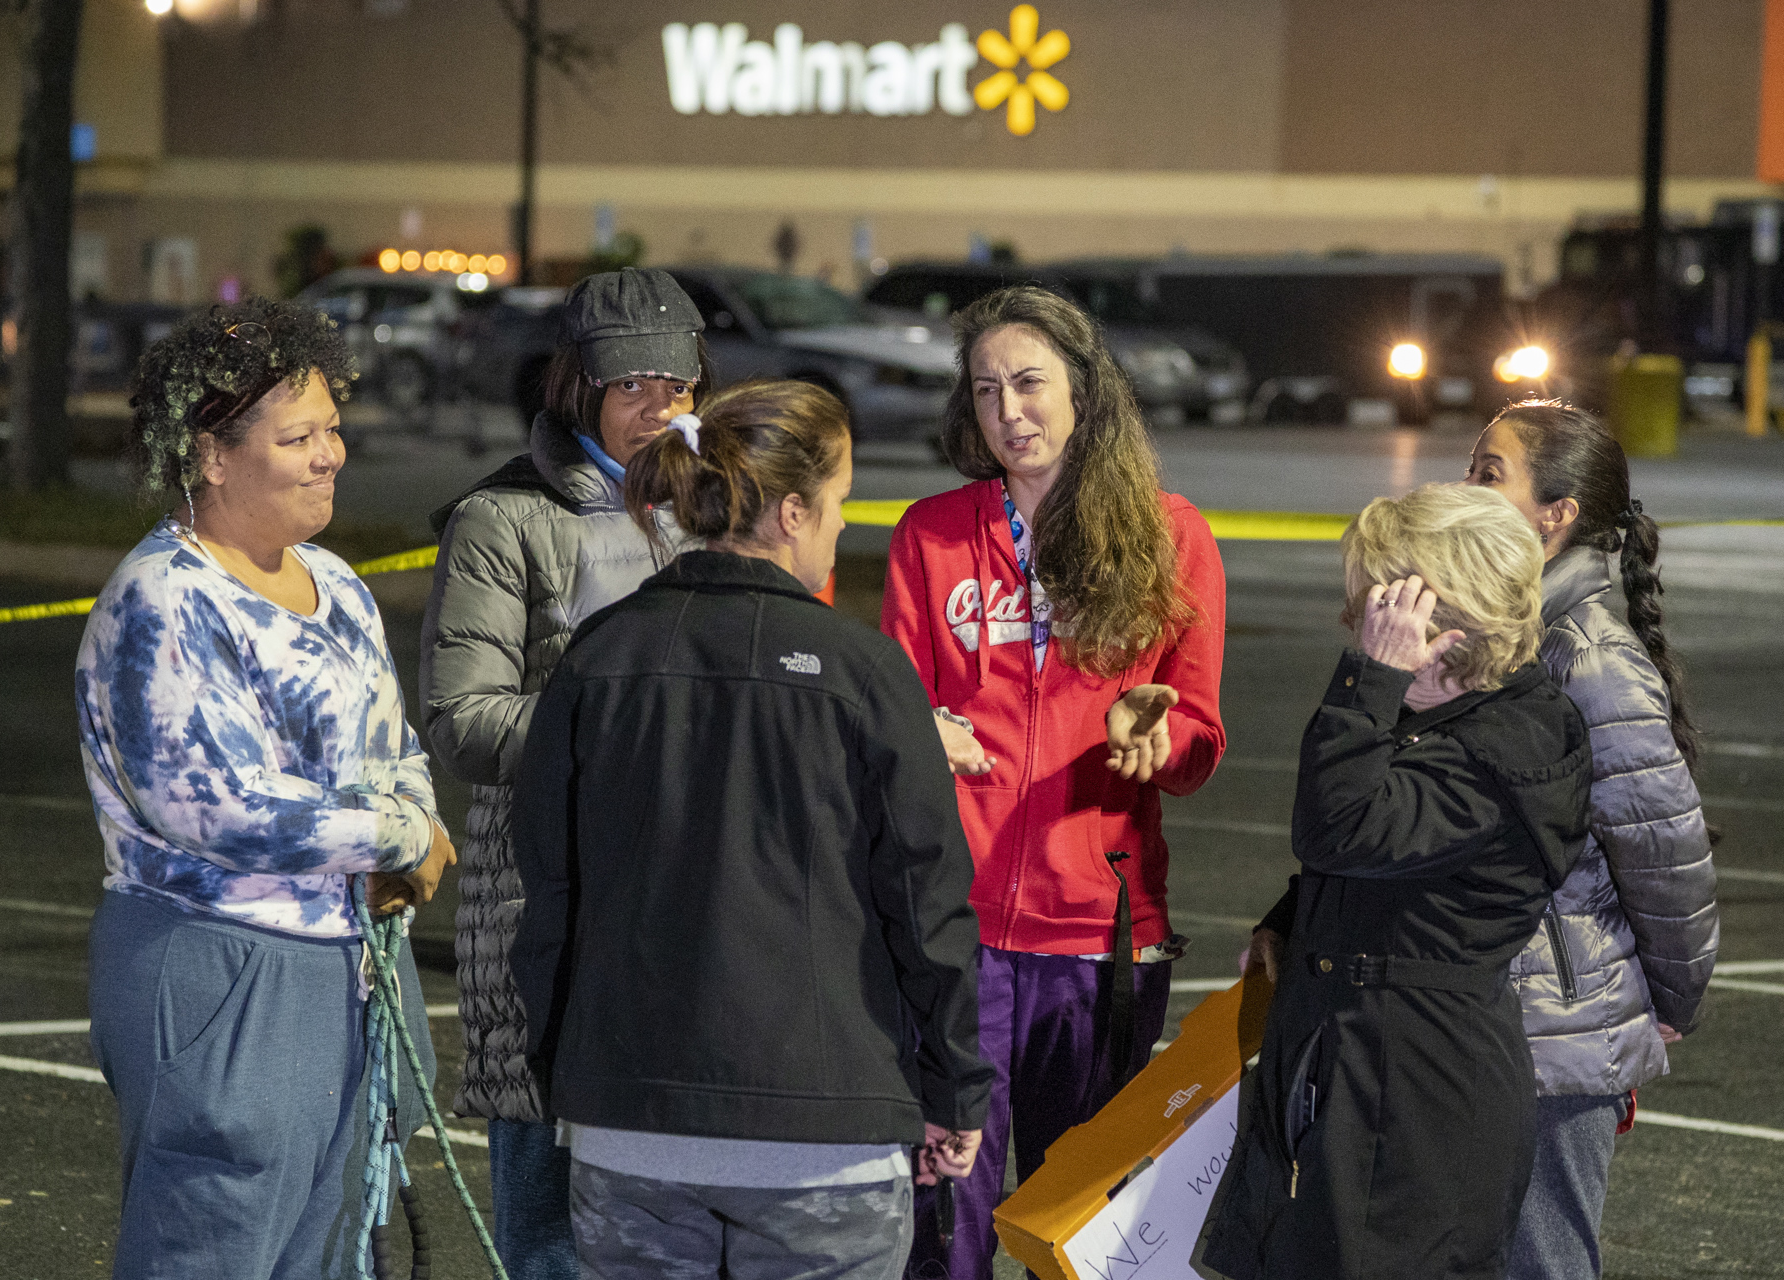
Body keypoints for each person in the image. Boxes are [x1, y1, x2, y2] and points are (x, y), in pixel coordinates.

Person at [507, 380, 994, 1279]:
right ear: (795, 512)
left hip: (631, 1125)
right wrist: (955, 1088)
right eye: (842, 504)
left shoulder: (600, 657)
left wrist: (564, 1071)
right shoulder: (863, 670)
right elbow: (927, 907)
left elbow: (550, 893)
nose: (844, 527)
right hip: (826, 1136)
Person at [78, 298, 456, 1279]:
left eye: (332, 427)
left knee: (335, 1245)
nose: (331, 452)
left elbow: (398, 744)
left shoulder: (340, 583)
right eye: (299, 436)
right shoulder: (162, 599)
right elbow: (216, 802)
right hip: (222, 970)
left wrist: (406, 821)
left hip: (354, 971)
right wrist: (396, 835)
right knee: (217, 1237)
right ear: (212, 453)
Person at [879, 285, 1227, 1278]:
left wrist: (1159, 740)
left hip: (1100, 940)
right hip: (956, 939)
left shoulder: (1170, 534)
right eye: (986, 390)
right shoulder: (931, 534)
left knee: (1086, 1235)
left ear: (1085, 389)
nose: (1010, 411)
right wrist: (916, 732)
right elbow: (892, 717)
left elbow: (1200, 737)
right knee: (944, 1229)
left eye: (1030, 383)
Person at [1203, 483, 1592, 1280]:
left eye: (1379, 608)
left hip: (1415, 1089)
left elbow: (1340, 827)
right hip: (1354, 1059)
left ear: (1448, 617)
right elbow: (1376, 859)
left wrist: (1368, 679)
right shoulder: (1447, 718)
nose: (1358, 627)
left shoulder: (1508, 744)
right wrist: (1296, 916)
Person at [419, 267, 710, 1279]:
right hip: (540, 908)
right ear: (577, 384)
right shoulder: (504, 517)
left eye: (678, 383)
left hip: (686, 908)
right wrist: (630, 721)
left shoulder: (716, 512)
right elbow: (464, 721)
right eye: (633, 384)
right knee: (548, 1230)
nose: (658, 407)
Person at [1463, 400, 1718, 1280]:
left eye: (1489, 472)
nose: (1465, 488)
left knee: (1542, 1264)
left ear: (1557, 514)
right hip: (1483, 1019)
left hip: (1558, 1034)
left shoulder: (1588, 655)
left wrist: (1673, 1001)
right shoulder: (1493, 636)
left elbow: (1664, 850)